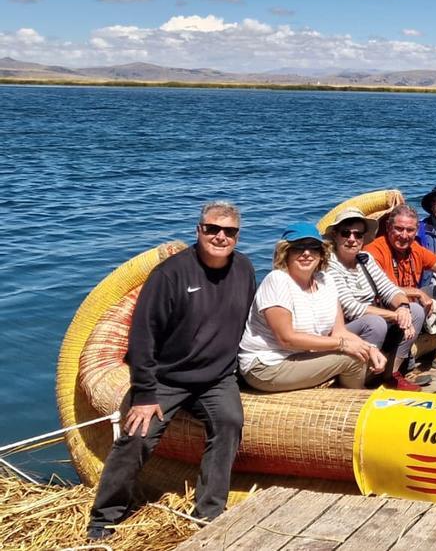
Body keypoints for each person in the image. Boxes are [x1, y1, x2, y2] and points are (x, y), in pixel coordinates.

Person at [87, 202, 257, 540]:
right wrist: (146, 393)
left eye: (229, 232)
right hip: (165, 378)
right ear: (198, 231)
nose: (220, 237)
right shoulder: (171, 274)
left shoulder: (244, 269)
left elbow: (248, 323)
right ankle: (103, 519)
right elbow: (142, 338)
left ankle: (209, 511)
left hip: (217, 378)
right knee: (136, 437)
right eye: (212, 229)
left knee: (229, 422)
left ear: (237, 236)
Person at [239, 223, 387, 392]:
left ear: (321, 253)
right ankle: (356, 403)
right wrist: (343, 345)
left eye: (313, 248)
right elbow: (286, 338)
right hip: (267, 365)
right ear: (285, 252)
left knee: (359, 353)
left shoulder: (326, 281)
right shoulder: (277, 280)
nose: (307, 253)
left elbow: (339, 331)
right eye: (299, 248)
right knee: (351, 360)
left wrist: (370, 348)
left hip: (301, 356)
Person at [323, 207, 423, 391]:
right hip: (342, 329)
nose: (352, 239)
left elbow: (390, 289)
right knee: (375, 323)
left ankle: (391, 373)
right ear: (336, 235)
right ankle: (363, 378)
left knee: (415, 310)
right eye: (346, 233)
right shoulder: (328, 264)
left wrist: (403, 308)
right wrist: (396, 316)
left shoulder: (365, 259)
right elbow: (350, 307)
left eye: (358, 234)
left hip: (372, 320)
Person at [365, 204, 436, 360]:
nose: (404, 235)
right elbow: (380, 290)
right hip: (386, 306)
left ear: (417, 230)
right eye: (399, 229)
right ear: (388, 227)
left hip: (413, 303)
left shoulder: (415, 249)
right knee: (412, 307)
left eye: (410, 230)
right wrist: (417, 292)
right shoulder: (374, 251)